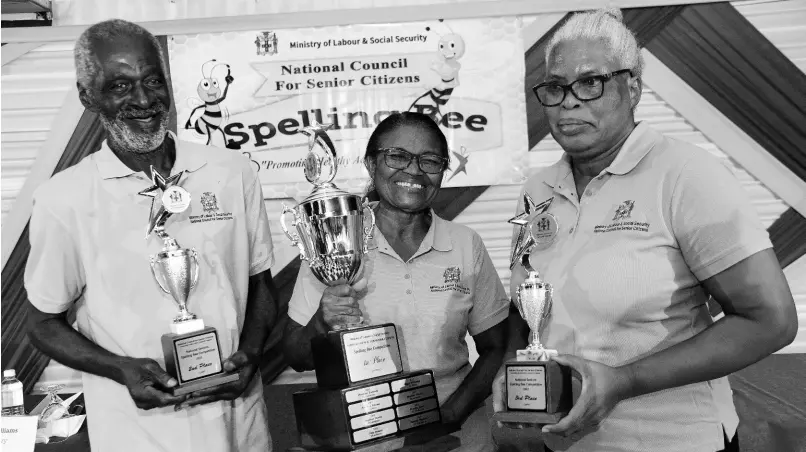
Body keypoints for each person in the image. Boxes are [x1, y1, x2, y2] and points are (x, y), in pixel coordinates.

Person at [492, 8, 798, 452]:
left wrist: (624, 380)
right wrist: (512, 384)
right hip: (564, 443)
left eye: (590, 82)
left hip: (672, 439)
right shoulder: (537, 188)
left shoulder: (686, 175)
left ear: (632, 85)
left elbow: (771, 320)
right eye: (555, 87)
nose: (569, 101)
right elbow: (528, 311)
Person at [24, 19, 278, 452]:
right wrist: (121, 368)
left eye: (153, 81)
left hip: (240, 429)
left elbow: (260, 286)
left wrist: (251, 354)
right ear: (88, 95)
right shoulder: (62, 199)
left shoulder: (232, 173)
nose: (143, 100)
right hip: (138, 435)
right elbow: (42, 323)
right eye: (120, 86)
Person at [282, 112, 509, 451]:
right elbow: (296, 355)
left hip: (457, 436)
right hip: (365, 436)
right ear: (371, 165)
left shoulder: (464, 243)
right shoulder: (337, 240)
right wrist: (322, 320)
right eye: (398, 157)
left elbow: (496, 346)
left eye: (430, 161)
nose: (415, 171)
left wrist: (452, 415)